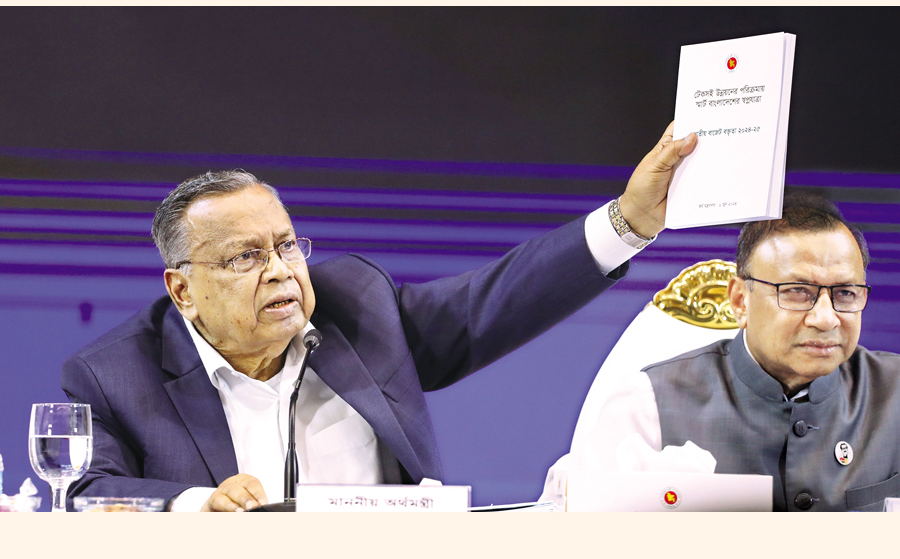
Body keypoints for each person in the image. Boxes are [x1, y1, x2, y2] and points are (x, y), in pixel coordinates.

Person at [61, 124, 697, 512]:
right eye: (246, 257)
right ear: (184, 290)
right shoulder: (115, 373)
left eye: (286, 246)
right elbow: (85, 492)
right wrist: (199, 504)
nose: (281, 270)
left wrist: (628, 222)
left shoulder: (356, 308)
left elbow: (493, 303)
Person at [564, 192, 900, 511]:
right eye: (797, 291)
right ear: (740, 300)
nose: (826, 318)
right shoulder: (646, 404)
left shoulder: (894, 392)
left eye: (845, 293)